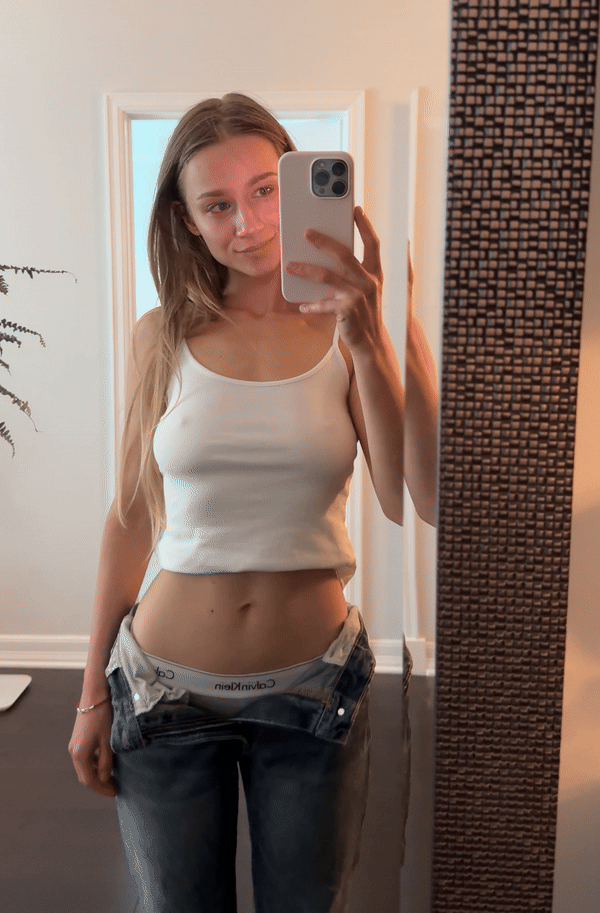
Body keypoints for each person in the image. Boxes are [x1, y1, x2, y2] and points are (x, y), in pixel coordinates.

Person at [68, 93, 438, 912]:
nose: (250, 223)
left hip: (314, 689)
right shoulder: (160, 334)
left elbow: (414, 495)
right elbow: (131, 516)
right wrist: (91, 691)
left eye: (266, 189)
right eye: (218, 204)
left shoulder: (360, 324)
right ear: (186, 220)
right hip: (161, 691)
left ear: (299, 182)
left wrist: (377, 334)